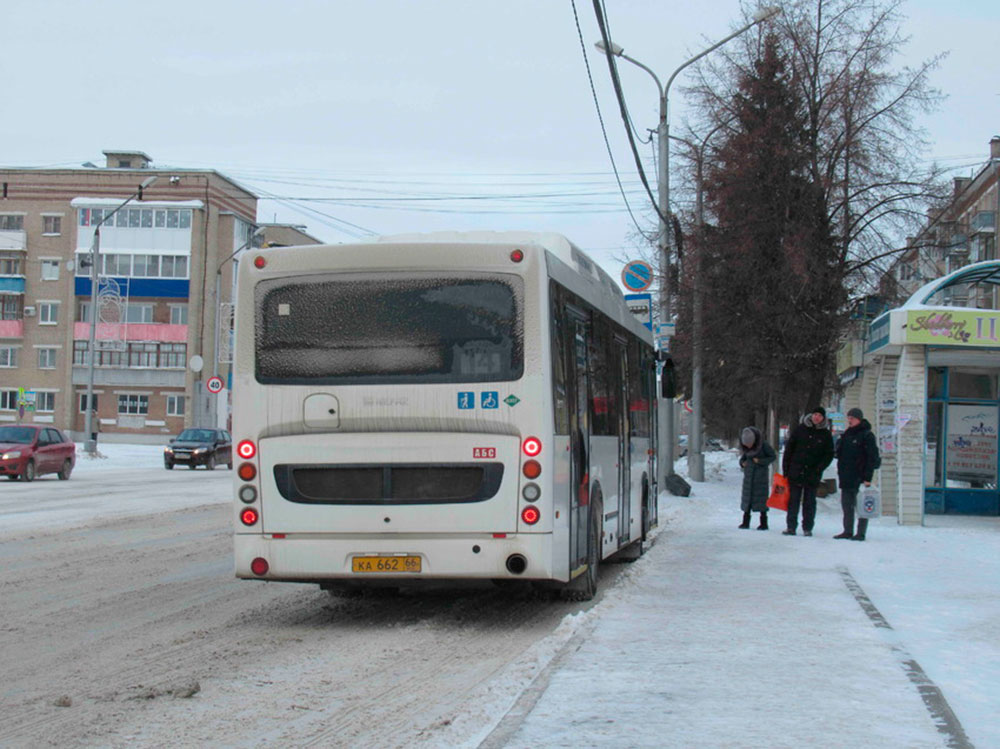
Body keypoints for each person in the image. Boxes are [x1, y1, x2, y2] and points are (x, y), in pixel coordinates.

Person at [781, 406, 834, 536]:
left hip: (812, 474)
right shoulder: (800, 430)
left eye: (820, 416)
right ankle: (791, 527)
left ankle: (807, 528)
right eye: (815, 414)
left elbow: (829, 454)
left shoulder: (826, 434)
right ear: (811, 416)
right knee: (793, 501)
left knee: (809, 502)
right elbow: (789, 450)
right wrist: (786, 470)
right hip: (796, 471)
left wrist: (819, 468)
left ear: (823, 418)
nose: (816, 417)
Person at [834, 407, 880, 541]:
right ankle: (847, 530)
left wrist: (867, 477)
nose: (849, 420)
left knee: (861, 505)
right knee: (847, 506)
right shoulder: (847, 434)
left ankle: (860, 533)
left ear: (859, 419)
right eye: (848, 418)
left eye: (852, 418)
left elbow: (872, 458)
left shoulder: (867, 435)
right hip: (846, 476)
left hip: (860, 477)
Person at [738, 426, 776, 530]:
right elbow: (743, 459)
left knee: (761, 500)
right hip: (748, 477)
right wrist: (742, 463)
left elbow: (772, 456)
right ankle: (745, 522)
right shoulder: (746, 449)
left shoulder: (764, 445)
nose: (748, 447)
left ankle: (764, 523)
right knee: (747, 500)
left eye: (750, 445)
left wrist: (760, 461)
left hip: (760, 478)